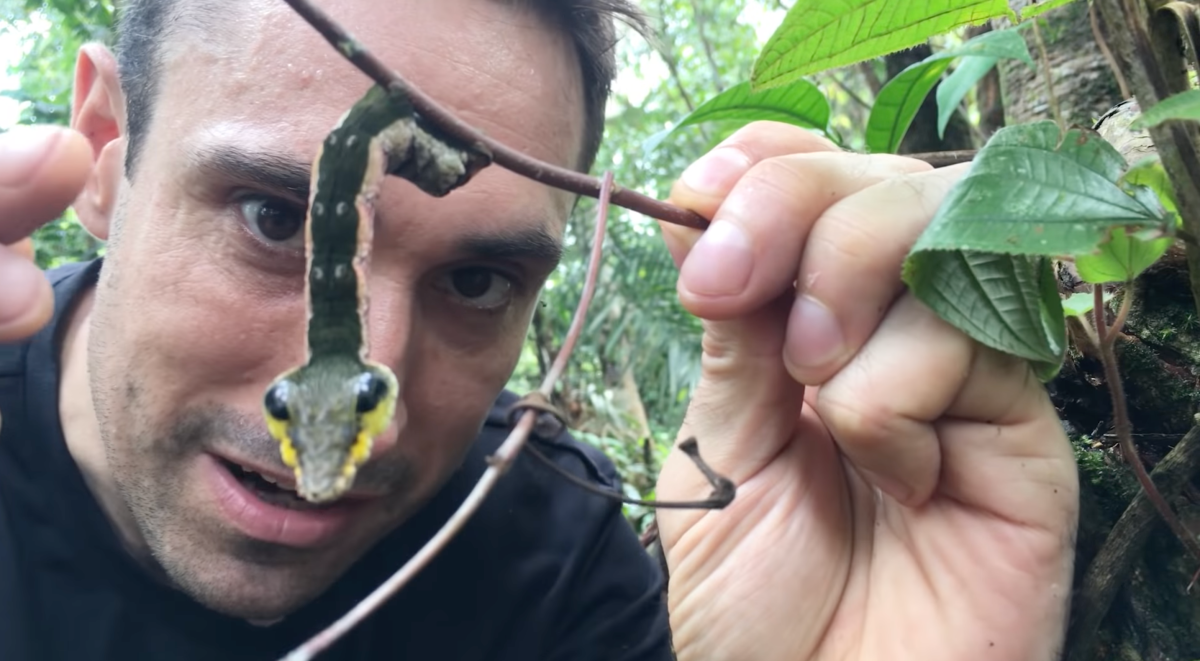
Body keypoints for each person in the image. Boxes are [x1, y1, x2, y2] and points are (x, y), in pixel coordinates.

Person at [0, 0, 1080, 659]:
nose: (363, 434)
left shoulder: (560, 569)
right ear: (104, 153)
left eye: (478, 279)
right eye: (270, 218)